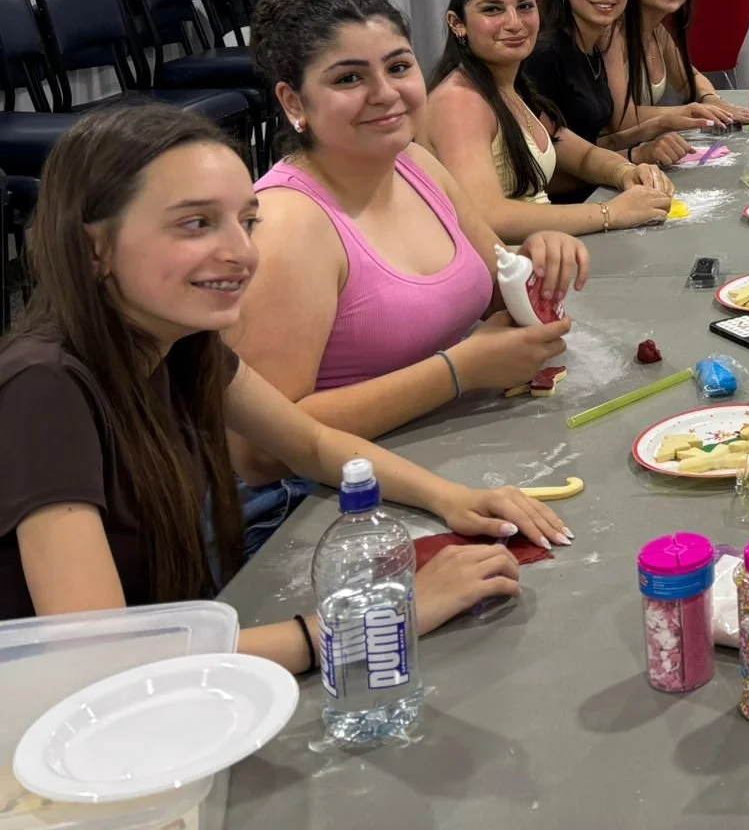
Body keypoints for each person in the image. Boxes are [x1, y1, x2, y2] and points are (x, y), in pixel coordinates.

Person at [0, 104, 569, 668]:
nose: (241, 253)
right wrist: (371, 623)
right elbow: (103, 660)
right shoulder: (44, 387)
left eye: (245, 221)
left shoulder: (181, 342)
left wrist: (453, 498)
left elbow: (313, 445)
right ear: (95, 248)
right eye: (196, 223)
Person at [230, 0, 587, 553]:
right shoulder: (288, 226)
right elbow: (262, 450)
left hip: (440, 450)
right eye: (349, 78)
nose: (384, 93)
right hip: (318, 509)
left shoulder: (415, 163)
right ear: (294, 103)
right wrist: (459, 371)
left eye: (398, 67)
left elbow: (499, 287)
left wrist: (541, 256)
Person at [416, 0, 680, 242]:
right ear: (458, 23)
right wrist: (610, 213)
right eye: (493, 9)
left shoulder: (510, 87)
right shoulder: (459, 100)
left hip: (543, 258)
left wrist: (626, 172)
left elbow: (583, 156)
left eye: (525, 6)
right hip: (506, 280)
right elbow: (489, 216)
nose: (514, 23)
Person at [523, 0, 690, 178]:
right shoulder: (544, 55)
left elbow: (591, 146)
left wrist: (659, 127)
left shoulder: (593, 48)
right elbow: (546, 170)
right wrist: (636, 156)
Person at [600, 0, 742, 136]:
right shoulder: (610, 32)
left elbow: (689, 79)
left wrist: (711, 100)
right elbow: (621, 119)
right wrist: (693, 113)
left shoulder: (657, 31)